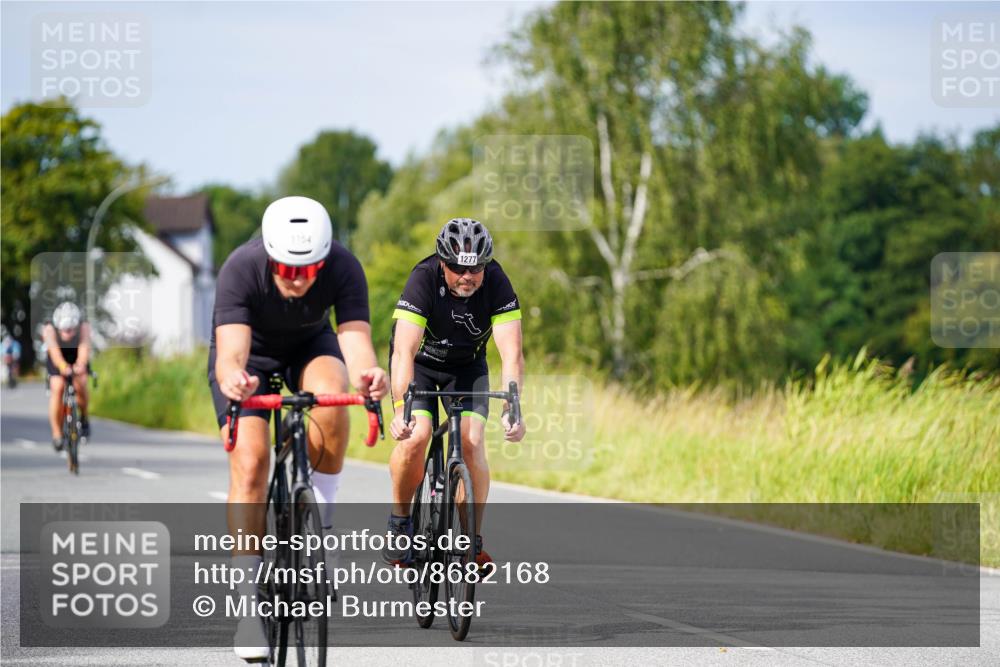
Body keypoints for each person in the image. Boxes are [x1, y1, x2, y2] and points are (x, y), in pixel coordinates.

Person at [209, 195, 387, 661]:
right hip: (250, 358)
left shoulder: (344, 267)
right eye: (287, 268)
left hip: (310, 345)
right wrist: (233, 378)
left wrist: (368, 375)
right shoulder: (241, 268)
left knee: (332, 396)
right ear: (270, 257)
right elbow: (231, 353)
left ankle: (320, 526)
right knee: (251, 463)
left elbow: (355, 342)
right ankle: (249, 611)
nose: (298, 278)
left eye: (308, 269)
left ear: (324, 259)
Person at [384, 218, 526, 568]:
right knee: (416, 436)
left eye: (475, 268)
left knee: (472, 441)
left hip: (466, 369)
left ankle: (470, 542)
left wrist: (513, 408)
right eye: (458, 269)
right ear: (442, 263)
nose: (467, 276)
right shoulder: (423, 277)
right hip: (420, 366)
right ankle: (400, 522)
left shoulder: (497, 283)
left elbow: (512, 354)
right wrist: (401, 407)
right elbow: (403, 351)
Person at [42, 302, 91, 450]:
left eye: (71, 330)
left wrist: (80, 364)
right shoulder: (49, 329)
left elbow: (84, 347)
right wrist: (63, 366)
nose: (68, 334)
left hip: (76, 356)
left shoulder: (84, 327)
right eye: (64, 330)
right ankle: (57, 433)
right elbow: (54, 352)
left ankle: (84, 417)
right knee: (57, 388)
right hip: (58, 359)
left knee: (81, 384)